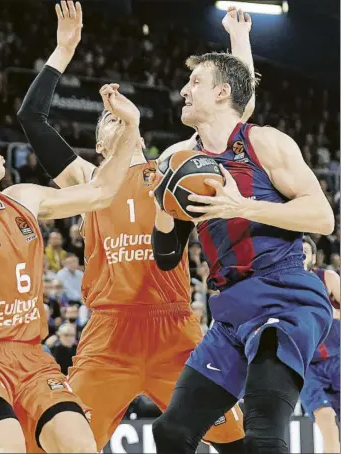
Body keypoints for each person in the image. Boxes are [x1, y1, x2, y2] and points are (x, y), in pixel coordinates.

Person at [17, 3, 254, 452]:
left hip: (175, 330)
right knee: (53, 444)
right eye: (106, 120)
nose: (115, 119)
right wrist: (63, 51)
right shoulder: (87, 182)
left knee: (238, 441)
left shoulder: (172, 168)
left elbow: (233, 120)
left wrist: (239, 42)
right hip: (110, 336)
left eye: (121, 116)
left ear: (140, 130)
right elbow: (32, 119)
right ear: (98, 142)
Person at [0, 57, 140, 453]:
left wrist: (131, 129)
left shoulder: (23, 198)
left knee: (82, 446)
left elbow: (101, 192)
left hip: (31, 356)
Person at [150, 19, 334, 454]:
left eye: (194, 81)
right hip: (230, 311)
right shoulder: (181, 162)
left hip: (285, 297)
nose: (183, 90)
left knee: (263, 433)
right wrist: (161, 203)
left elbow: (322, 216)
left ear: (221, 93)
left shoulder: (264, 143)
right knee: (170, 433)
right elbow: (165, 257)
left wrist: (242, 207)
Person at [300, 236, 340, 454]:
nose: (301, 254)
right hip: (308, 366)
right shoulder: (281, 286)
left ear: (314, 257)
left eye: (306, 251)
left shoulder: (327, 278)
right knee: (325, 419)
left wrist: (333, 313)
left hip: (337, 358)